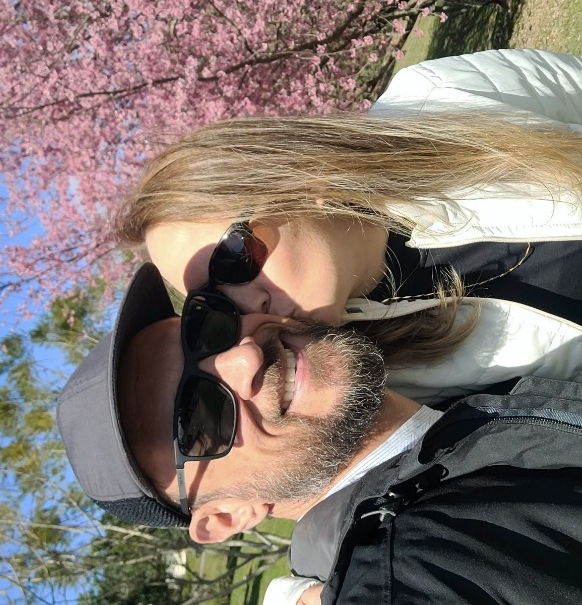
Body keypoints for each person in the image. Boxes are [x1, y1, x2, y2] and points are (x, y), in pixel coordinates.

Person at [57, 263, 582, 605]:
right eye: (195, 420)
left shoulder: (456, 400)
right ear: (228, 516)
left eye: (206, 328)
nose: (244, 356)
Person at [114, 48, 582, 404]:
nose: (250, 311)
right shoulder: (386, 379)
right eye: (216, 305)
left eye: (233, 259)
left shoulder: (438, 96)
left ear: (291, 181)